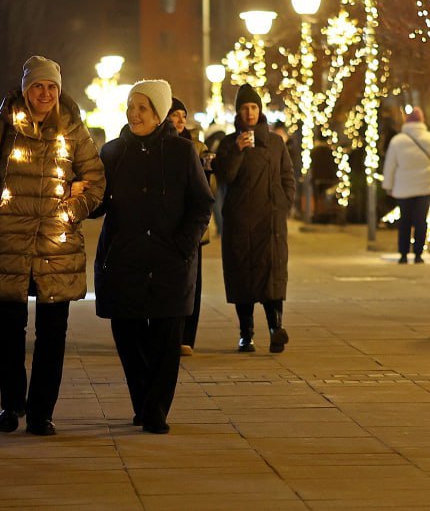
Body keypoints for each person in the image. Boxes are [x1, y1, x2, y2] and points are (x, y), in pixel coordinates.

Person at [0, 55, 105, 436]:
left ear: (59, 90)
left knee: (53, 331)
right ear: (26, 89)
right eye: (38, 86)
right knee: (8, 329)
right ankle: (11, 405)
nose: (45, 94)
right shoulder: (2, 125)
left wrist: (72, 210)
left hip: (56, 245)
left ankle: (41, 411)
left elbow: (95, 179)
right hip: (10, 242)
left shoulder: (73, 129)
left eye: (51, 87)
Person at [93, 81, 212, 434]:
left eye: (142, 107)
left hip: (168, 263)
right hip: (123, 261)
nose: (134, 113)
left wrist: (183, 246)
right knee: (128, 338)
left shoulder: (181, 151)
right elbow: (99, 204)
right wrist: (78, 194)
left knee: (164, 341)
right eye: (131, 106)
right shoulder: (113, 153)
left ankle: (155, 408)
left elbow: (201, 203)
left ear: (159, 113)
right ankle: (143, 401)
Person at [215, 84, 296, 353]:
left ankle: (276, 328)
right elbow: (225, 178)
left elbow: (287, 176)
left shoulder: (274, 143)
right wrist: (237, 150)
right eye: (244, 108)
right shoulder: (227, 143)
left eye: (253, 107)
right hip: (240, 221)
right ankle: (246, 333)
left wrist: (283, 204)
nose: (249, 113)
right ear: (238, 112)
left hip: (270, 221)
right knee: (243, 277)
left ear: (260, 110)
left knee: (272, 274)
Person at [167, 97, 212, 356]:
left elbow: (209, 192)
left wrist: (208, 172)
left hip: (194, 226)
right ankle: (170, 333)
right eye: (175, 114)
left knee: (193, 282)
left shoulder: (199, 146)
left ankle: (187, 338)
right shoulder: (163, 144)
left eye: (183, 114)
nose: (181, 119)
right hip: (169, 222)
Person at [382, 107, 430, 264]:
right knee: (421, 220)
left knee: (404, 220)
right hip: (426, 185)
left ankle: (403, 254)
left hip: (404, 187)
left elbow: (390, 165)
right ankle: (418, 254)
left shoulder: (398, 141)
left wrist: (388, 185)